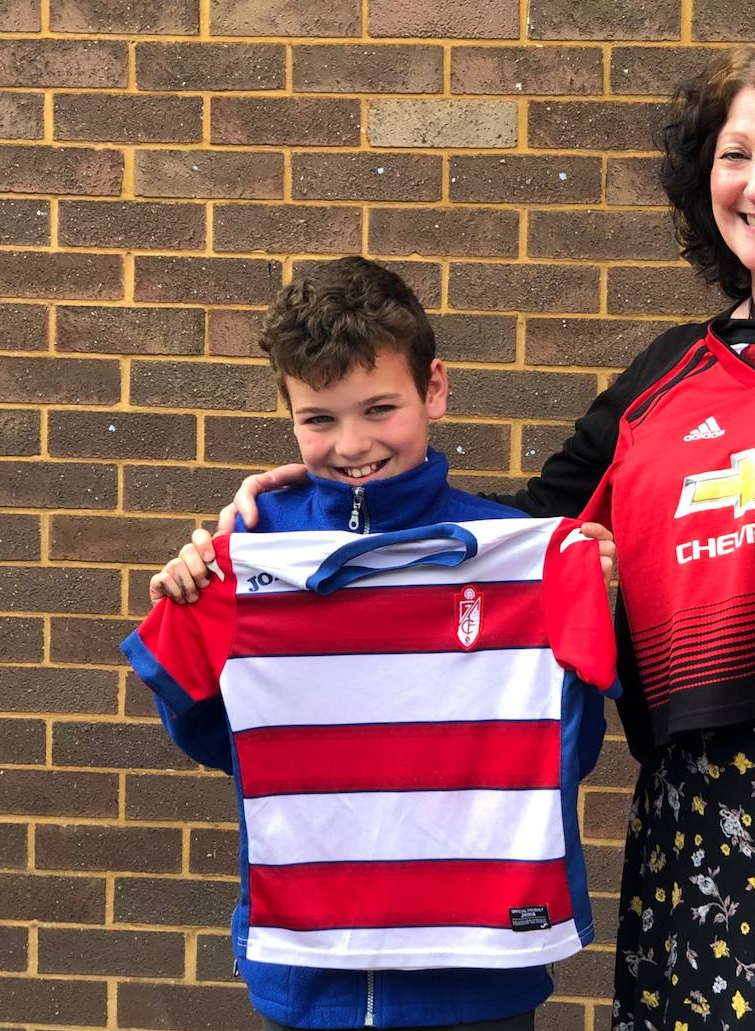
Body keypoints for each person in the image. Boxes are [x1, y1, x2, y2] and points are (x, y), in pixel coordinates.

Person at [178, 35, 755, 1030]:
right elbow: (489, 544)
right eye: (735, 155)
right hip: (706, 831)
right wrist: (306, 517)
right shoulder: (664, 375)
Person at [130, 256, 620, 1031]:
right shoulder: (253, 548)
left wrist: (573, 599)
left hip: (477, 969)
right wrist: (201, 599)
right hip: (308, 966)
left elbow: (566, 746)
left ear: (435, 390)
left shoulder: (517, 554)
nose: (352, 442)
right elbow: (227, 743)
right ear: (288, 413)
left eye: (379, 408)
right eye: (319, 418)